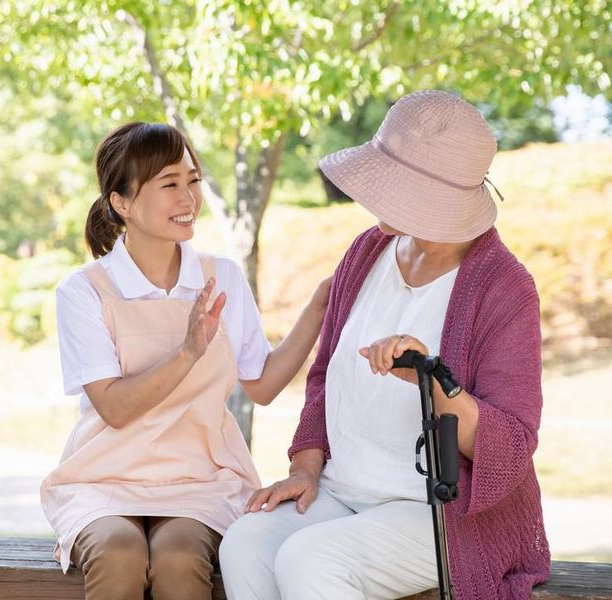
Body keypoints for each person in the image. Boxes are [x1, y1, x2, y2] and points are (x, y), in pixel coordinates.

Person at [219, 90, 550, 600]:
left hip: (441, 515)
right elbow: (324, 374)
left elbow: (511, 447)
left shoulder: (503, 286)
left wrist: (432, 377)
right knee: (246, 542)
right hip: (342, 491)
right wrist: (306, 469)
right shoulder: (366, 252)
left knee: (312, 560)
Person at [40, 122, 331, 600]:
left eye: (192, 179)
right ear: (122, 202)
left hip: (202, 479)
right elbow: (114, 408)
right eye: (169, 183)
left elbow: (261, 382)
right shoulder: (85, 290)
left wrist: (320, 303)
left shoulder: (222, 277)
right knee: (117, 553)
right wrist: (188, 351)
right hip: (103, 478)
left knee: (178, 558)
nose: (188, 197)